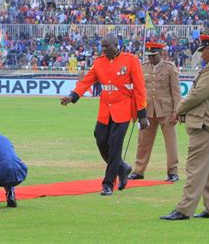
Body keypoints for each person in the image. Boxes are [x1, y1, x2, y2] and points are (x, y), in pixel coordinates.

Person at [61, 33, 149, 196]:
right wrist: (73, 96)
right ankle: (121, 167)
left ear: (117, 45)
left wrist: (142, 114)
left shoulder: (131, 60)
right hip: (105, 110)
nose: (103, 49)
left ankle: (108, 184)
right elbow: (87, 81)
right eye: (102, 46)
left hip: (123, 110)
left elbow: (139, 88)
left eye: (106, 46)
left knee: (115, 146)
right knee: (101, 140)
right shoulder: (99, 62)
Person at [160, 35, 209, 220]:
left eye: (203, 52)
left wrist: (178, 110)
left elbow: (198, 94)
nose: (202, 56)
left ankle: (184, 209)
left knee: (195, 168)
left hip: (204, 124)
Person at [128, 43, 182, 182]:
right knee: (143, 142)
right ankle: (139, 171)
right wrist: (136, 111)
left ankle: (172, 172)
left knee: (171, 143)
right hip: (147, 111)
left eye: (153, 56)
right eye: (149, 56)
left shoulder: (170, 68)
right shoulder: (143, 67)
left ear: (161, 54)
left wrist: (177, 111)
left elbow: (176, 93)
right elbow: (138, 91)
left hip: (166, 111)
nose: (151, 58)